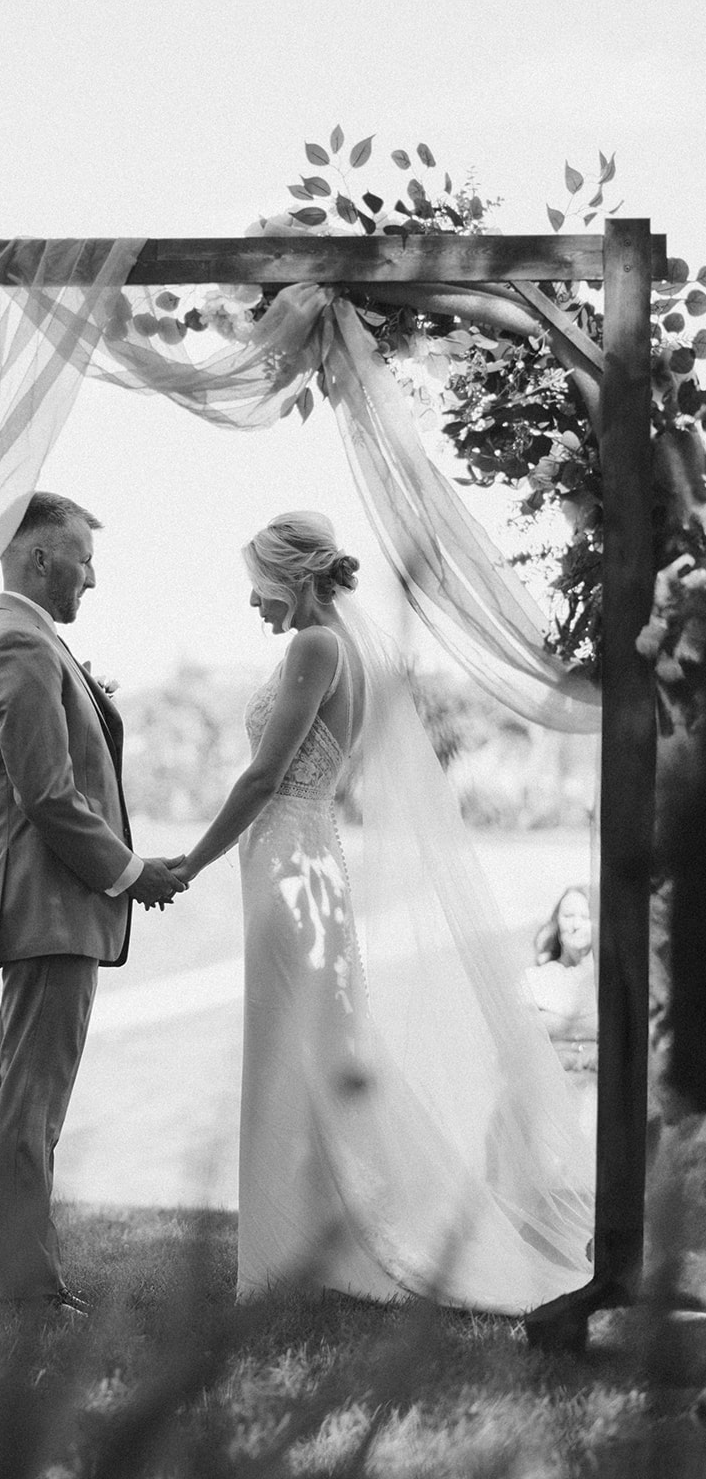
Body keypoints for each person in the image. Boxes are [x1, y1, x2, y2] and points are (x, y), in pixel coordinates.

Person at [169, 512, 594, 1313]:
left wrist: (189, 861)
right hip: (305, 856)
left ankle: (316, 1244)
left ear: (291, 577)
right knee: (310, 1048)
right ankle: (305, 1241)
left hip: (291, 861)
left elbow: (264, 777)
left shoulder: (316, 646)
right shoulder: (347, 648)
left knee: (301, 1047)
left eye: (258, 587)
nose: (254, 605)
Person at [0, 492, 185, 1317]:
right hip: (48, 903)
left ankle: (26, 1273)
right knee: (31, 1105)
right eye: (84, 557)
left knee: (38, 1102)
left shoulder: (34, 644)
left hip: (52, 905)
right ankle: (22, 1284)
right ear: (39, 559)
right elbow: (49, 797)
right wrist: (132, 873)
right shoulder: (19, 645)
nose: (94, 576)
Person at [526, 886, 597, 1147]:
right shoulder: (535, 980)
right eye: (568, 916)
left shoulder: (613, 982)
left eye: (584, 916)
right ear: (557, 921)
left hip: (601, 1101)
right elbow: (519, 1045)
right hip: (549, 1097)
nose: (575, 925)